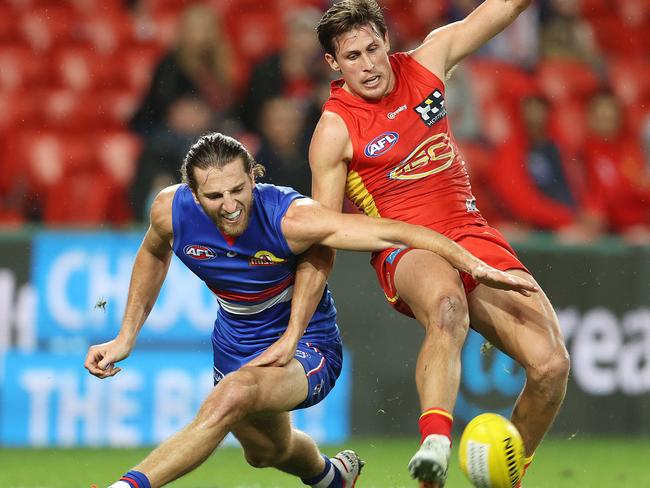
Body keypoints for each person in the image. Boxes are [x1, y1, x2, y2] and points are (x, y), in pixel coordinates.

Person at [85, 132, 536, 488]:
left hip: (308, 347)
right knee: (266, 453)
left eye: (239, 189)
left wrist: (470, 262)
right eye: (215, 196)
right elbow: (152, 253)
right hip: (235, 344)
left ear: (254, 177)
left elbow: (395, 232)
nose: (230, 205)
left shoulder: (292, 217)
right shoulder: (170, 210)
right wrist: (126, 336)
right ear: (193, 194)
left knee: (232, 397)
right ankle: (331, 476)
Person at [310, 1, 570, 487]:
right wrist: (302, 308)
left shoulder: (430, 62)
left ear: (387, 40)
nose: (368, 65)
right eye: (352, 57)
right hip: (407, 249)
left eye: (373, 49)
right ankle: (436, 443)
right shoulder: (334, 129)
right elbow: (323, 229)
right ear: (333, 64)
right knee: (449, 307)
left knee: (551, 365)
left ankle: (502, 476)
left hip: (471, 232)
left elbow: (503, 9)